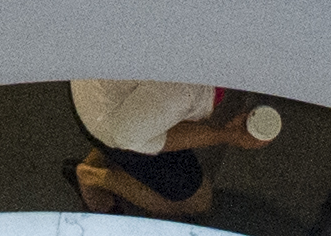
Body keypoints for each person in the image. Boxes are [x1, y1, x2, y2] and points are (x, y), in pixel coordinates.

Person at [69, 80, 282, 219]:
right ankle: (92, 177)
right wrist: (226, 135)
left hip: (99, 95)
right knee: (197, 200)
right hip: (110, 129)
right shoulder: (183, 92)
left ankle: (104, 158)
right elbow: (133, 137)